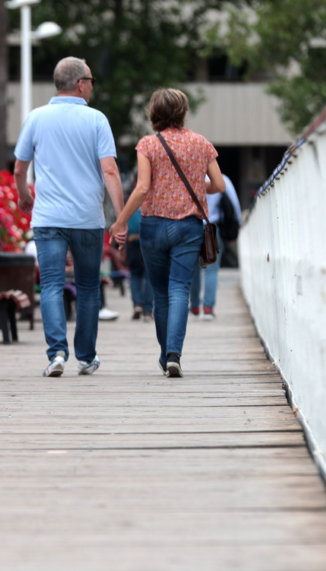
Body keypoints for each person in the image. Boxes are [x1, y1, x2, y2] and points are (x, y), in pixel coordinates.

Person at [14, 57, 125, 377]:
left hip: (47, 218)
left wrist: (23, 195)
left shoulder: (36, 118)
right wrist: (120, 218)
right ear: (80, 84)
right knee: (89, 287)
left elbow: (20, 168)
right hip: (87, 220)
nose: (92, 86)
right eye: (91, 80)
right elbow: (110, 170)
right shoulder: (96, 120)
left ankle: (56, 354)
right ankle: (86, 357)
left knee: (50, 284)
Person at [109, 88, 225, 378]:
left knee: (159, 293)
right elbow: (219, 185)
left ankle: (165, 355)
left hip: (153, 226)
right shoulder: (201, 143)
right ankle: (174, 354)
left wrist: (120, 221)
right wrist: (199, 188)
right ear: (183, 112)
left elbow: (143, 187)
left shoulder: (148, 144)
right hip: (188, 227)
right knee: (179, 290)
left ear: (154, 114)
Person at [189, 174, 241, 320]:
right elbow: (234, 205)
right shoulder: (222, 178)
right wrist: (235, 228)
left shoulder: (189, 173)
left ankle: (194, 306)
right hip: (212, 228)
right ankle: (208, 308)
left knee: (193, 269)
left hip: (191, 226)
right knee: (211, 269)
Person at [126, 208, 153, 320]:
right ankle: (147, 310)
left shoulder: (130, 201)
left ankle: (137, 304)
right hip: (150, 242)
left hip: (133, 243)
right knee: (150, 276)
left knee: (135, 274)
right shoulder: (153, 198)